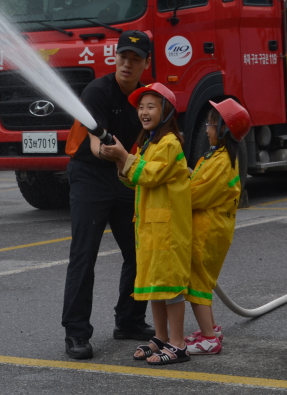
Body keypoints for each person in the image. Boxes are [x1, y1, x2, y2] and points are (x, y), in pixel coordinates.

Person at [61, 31, 154, 360]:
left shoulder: (147, 96)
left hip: (126, 173)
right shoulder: (97, 91)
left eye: (136, 59)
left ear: (146, 63)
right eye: (123, 57)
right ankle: (76, 332)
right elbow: (96, 145)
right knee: (84, 254)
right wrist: (114, 153)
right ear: (115, 58)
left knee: (140, 250)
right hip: (91, 174)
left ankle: (129, 320)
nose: (128, 64)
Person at [118, 83, 192, 366]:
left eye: (151, 106)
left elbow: (150, 174)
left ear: (167, 111)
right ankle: (161, 337)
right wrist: (121, 163)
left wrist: (124, 158)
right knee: (154, 285)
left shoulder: (170, 143)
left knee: (170, 287)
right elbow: (138, 175)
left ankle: (178, 343)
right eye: (140, 107)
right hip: (152, 228)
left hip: (168, 231)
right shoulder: (152, 142)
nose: (144, 112)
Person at [184, 99, 252, 356]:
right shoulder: (221, 157)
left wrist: (174, 186)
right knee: (203, 280)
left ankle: (209, 339)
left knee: (197, 283)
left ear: (225, 129)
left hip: (206, 231)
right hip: (212, 230)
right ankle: (208, 327)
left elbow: (195, 194)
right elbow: (202, 183)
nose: (206, 129)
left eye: (211, 124)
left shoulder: (222, 162)